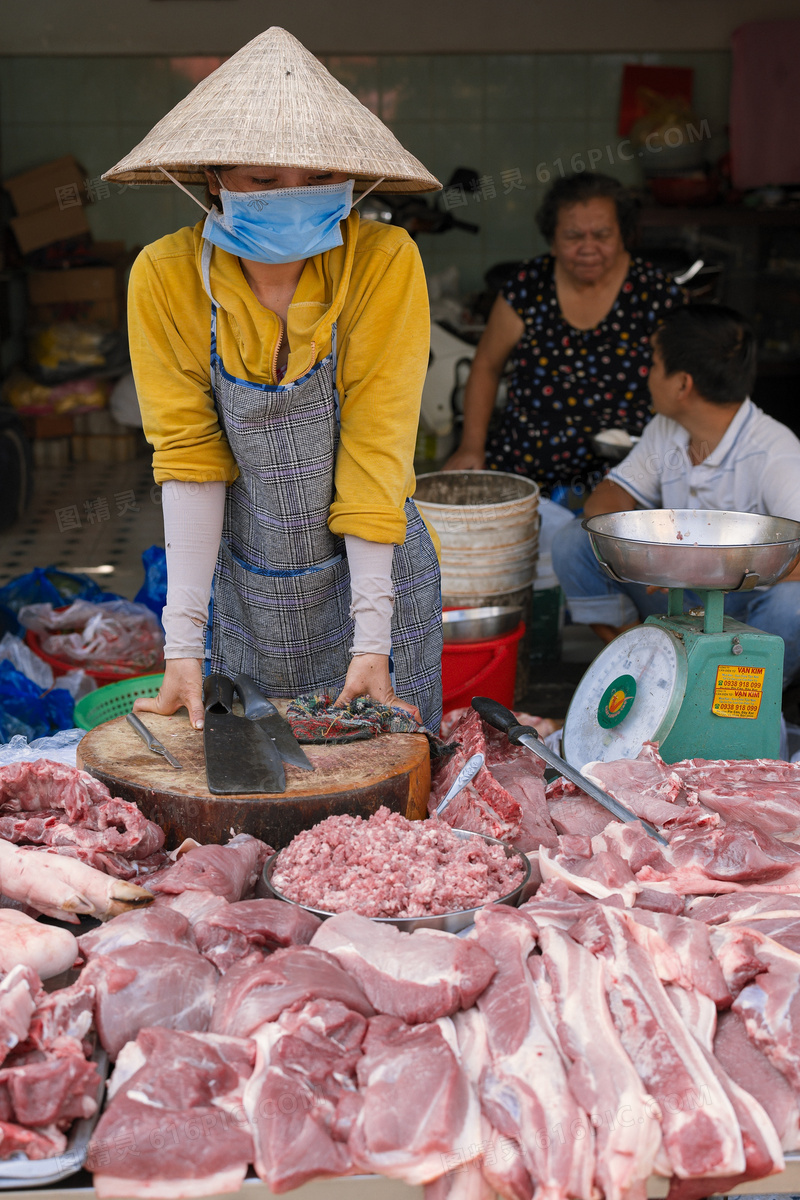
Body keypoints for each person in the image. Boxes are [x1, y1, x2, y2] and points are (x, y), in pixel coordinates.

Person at [102, 27, 444, 731]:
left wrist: (372, 635)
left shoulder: (383, 261)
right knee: (254, 790)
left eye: (319, 179)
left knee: (390, 799)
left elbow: (377, 447)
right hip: (247, 580)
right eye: (262, 182)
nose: (292, 197)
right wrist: (183, 645)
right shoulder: (164, 277)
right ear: (212, 180)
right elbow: (191, 460)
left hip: (378, 572)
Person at [552, 303, 800, 685]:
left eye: (652, 364)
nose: (646, 376)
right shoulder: (667, 428)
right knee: (575, 539)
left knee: (793, 605)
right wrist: (653, 552)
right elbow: (607, 498)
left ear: (683, 384)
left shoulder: (776, 451)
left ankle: (736, 693)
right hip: (672, 593)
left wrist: (694, 570)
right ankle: (646, 672)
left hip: (743, 608)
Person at [443, 172, 683, 491]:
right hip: (528, 473)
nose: (588, 248)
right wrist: (471, 445)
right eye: (573, 236)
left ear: (623, 235)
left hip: (628, 478)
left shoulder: (654, 292)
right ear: (553, 240)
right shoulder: (527, 286)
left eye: (602, 235)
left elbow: (684, 380)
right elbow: (486, 365)